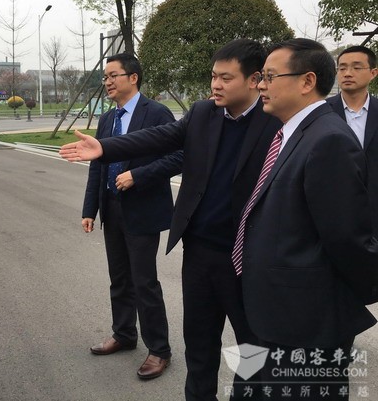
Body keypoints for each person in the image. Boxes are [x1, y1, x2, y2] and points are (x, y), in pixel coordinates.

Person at [61, 39, 282, 400]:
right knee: (199, 343)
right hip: (200, 252)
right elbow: (158, 138)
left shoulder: (274, 121)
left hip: (246, 256)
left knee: (251, 346)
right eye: (214, 76)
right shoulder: (203, 113)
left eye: (226, 78)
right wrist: (105, 148)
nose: (216, 85)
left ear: (255, 79)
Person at [237, 38, 377, 399]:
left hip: (305, 317)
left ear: (307, 81)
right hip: (277, 309)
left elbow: (347, 238)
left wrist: (357, 291)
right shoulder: (293, 132)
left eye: (270, 76)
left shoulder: (328, 140)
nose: (261, 85)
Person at [83, 53, 182, 380]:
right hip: (112, 208)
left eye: (113, 75)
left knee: (144, 282)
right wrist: (90, 209)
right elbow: (97, 166)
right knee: (120, 278)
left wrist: (139, 175)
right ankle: (124, 334)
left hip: (142, 209)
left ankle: (159, 350)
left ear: (133, 77)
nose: (107, 82)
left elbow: (179, 156)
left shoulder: (156, 113)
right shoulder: (107, 119)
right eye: (105, 77)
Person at [327, 46, 378, 232]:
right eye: (342, 68)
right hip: (334, 208)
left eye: (356, 67)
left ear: (373, 73)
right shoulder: (322, 112)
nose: (347, 73)